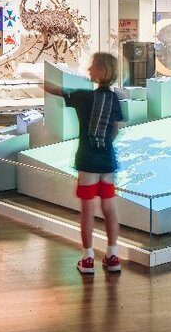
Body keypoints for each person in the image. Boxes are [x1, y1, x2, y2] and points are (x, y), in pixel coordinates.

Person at [46, 52, 124, 275]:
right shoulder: (114, 99)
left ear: (100, 71)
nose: (88, 70)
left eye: (92, 67)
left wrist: (36, 80)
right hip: (107, 160)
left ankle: (88, 257)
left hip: (87, 160)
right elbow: (115, 129)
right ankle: (112, 255)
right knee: (109, 206)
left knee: (87, 209)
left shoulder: (84, 97)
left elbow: (57, 90)